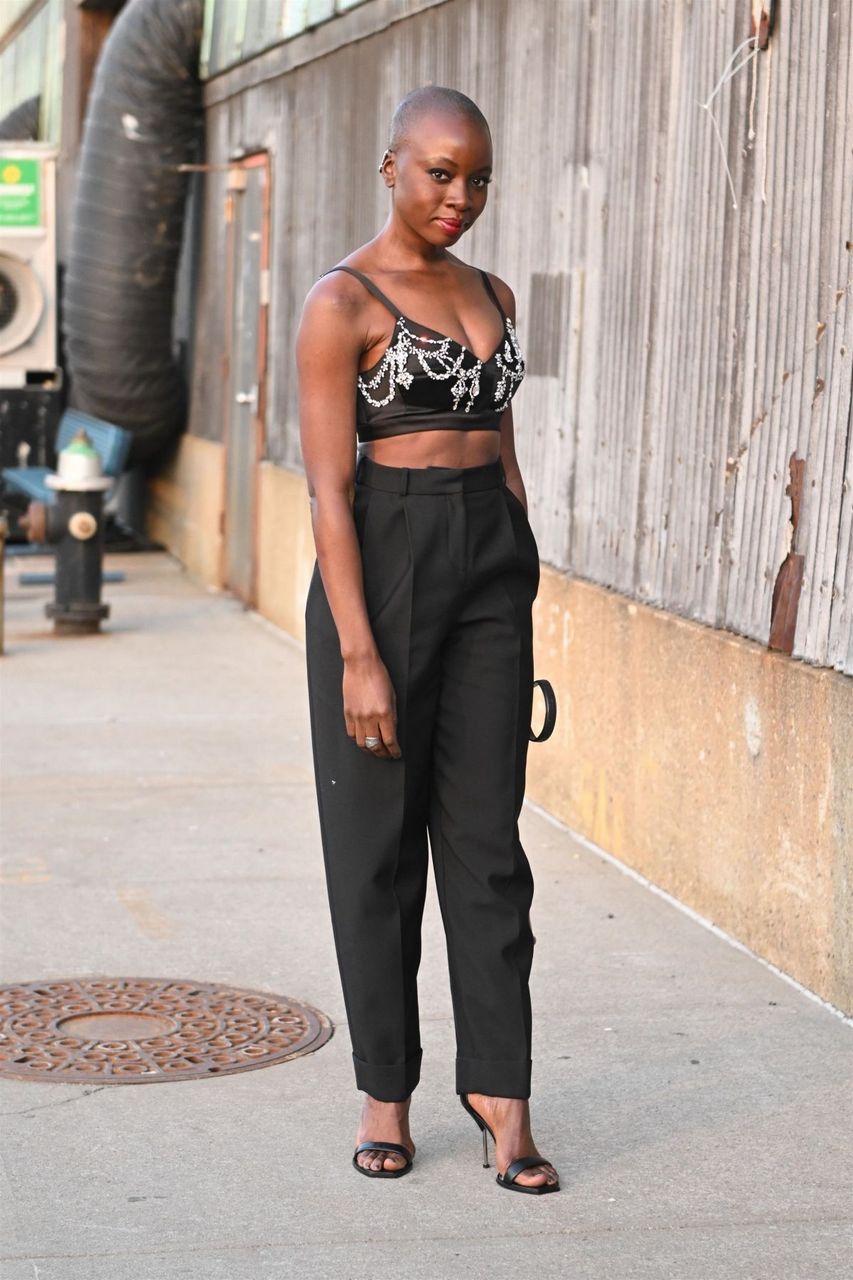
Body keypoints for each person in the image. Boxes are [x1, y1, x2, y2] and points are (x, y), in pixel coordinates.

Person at [296, 85, 560, 1195]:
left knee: (489, 844)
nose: (461, 196)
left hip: (489, 562)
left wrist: (524, 563)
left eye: (479, 177)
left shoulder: (496, 292)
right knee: (378, 849)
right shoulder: (341, 300)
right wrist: (360, 650)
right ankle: (384, 1091)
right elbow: (324, 488)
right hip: (384, 557)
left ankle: (502, 1090)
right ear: (392, 167)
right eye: (441, 172)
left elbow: (499, 447)